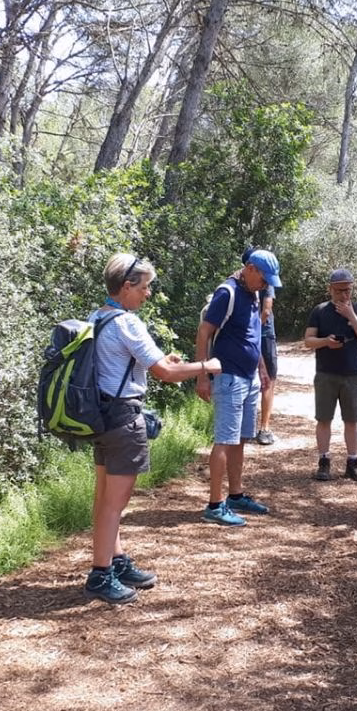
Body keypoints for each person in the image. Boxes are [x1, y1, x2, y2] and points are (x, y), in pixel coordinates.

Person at [84, 253, 223, 603]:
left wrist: (169, 363)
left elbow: (137, 364)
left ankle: (115, 561)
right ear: (126, 286)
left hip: (102, 417)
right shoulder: (127, 323)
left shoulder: (98, 317)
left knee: (104, 497)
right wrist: (207, 365)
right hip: (122, 421)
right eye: (144, 288)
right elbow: (166, 373)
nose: (147, 294)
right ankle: (100, 575)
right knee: (113, 504)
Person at [195, 249, 281, 526]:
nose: (266, 284)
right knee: (225, 439)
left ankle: (235, 494)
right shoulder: (227, 292)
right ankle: (214, 504)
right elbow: (204, 332)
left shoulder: (253, 293)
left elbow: (252, 335)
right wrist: (201, 375)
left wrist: (262, 369)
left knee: (242, 438)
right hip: (229, 377)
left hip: (249, 377)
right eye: (264, 278)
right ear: (251, 269)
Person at [303, 268, 357, 482]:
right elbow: (308, 341)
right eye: (339, 290)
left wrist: (350, 315)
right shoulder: (320, 311)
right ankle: (324, 463)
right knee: (324, 419)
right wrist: (326, 342)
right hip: (325, 373)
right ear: (330, 289)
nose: (344, 295)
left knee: (352, 420)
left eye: (348, 290)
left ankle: (353, 463)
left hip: (352, 374)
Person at [254, 258, 279, 446]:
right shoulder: (267, 280)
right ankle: (264, 428)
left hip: (250, 335)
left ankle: (247, 428)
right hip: (264, 334)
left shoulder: (242, 281)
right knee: (269, 380)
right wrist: (255, 330)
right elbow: (267, 310)